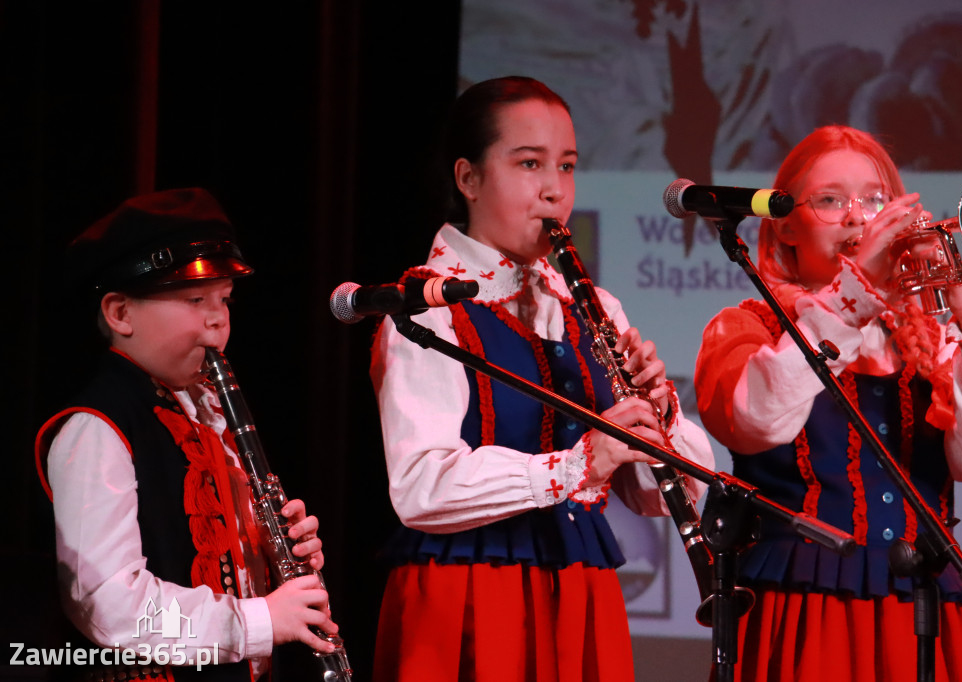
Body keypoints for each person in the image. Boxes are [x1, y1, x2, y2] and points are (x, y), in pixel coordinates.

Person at [369, 75, 715, 681]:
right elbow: (420, 485)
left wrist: (659, 416)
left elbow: (667, 496)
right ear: (468, 178)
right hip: (472, 598)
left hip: (579, 594)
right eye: (529, 164)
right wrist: (581, 463)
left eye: (567, 166)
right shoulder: (424, 310)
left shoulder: (594, 307)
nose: (555, 190)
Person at [694, 125, 962, 681]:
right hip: (804, 609)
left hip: (924, 610)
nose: (855, 216)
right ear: (788, 226)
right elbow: (754, 421)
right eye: (829, 200)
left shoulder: (931, 343)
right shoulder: (748, 327)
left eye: (874, 199)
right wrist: (852, 298)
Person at [35, 188, 338, 681]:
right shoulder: (98, 426)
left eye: (224, 300)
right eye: (195, 299)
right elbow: (110, 605)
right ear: (120, 313)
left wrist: (269, 555)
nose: (218, 318)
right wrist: (259, 621)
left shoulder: (209, 411)